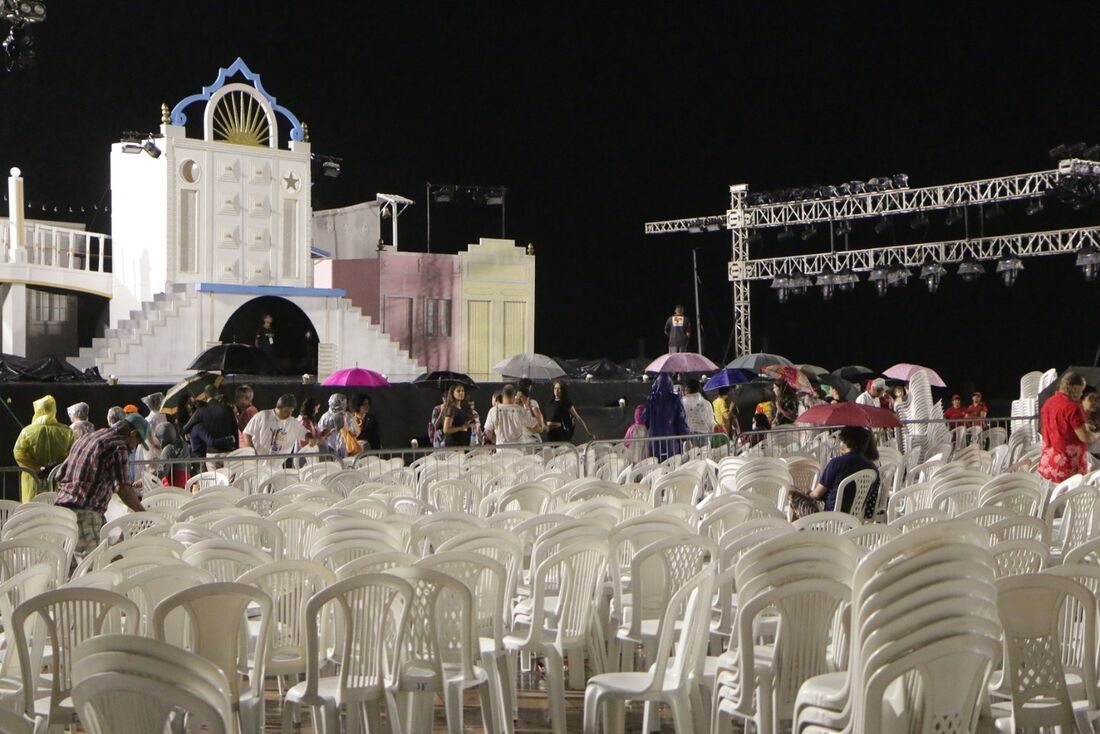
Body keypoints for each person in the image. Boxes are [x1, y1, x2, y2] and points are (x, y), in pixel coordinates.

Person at [54, 414, 148, 560]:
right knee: (93, 570)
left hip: (61, 511)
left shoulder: (87, 437)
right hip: (85, 511)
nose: (134, 448)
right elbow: (123, 489)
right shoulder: (118, 446)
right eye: (137, 442)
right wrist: (145, 514)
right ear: (133, 433)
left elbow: (59, 475)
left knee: (77, 568)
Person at [802, 426, 880, 517]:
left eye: (841, 440)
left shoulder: (836, 463)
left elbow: (816, 494)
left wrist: (804, 495)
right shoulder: (872, 468)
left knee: (795, 499)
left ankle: (796, 530)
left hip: (832, 515)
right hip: (855, 517)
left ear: (846, 442)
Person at [1039, 371, 1099, 483]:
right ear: (1075, 388)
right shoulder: (1073, 407)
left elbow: (1059, 427)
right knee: (1071, 499)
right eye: (1081, 390)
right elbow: (1085, 437)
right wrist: (1096, 435)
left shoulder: (1048, 403)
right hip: (1068, 469)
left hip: (1048, 464)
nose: (1081, 395)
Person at [13, 395, 74, 503]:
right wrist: (57, 467)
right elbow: (73, 453)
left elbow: (19, 453)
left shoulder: (27, 431)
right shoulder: (66, 431)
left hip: (33, 479)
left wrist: (37, 468)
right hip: (58, 479)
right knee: (55, 510)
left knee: (32, 510)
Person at [242, 393, 310, 454]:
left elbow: (304, 432)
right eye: (286, 411)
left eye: (291, 411)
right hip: (258, 463)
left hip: (277, 466)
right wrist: (252, 452)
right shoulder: (263, 416)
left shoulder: (292, 422)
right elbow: (247, 433)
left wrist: (310, 438)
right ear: (279, 407)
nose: (289, 415)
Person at [642, 374, 690, 460]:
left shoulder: (651, 400)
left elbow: (645, 419)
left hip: (654, 441)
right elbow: (681, 419)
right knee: (672, 467)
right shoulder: (675, 399)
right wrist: (685, 436)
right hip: (672, 441)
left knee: (655, 467)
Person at [181, 387, 239, 457]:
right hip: (228, 451)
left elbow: (185, 428)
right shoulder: (228, 409)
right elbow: (235, 429)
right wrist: (236, 448)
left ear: (205, 396)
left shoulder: (201, 411)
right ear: (217, 395)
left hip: (211, 453)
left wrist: (188, 439)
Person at [155, 421, 192, 488]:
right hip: (187, 481)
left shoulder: (167, 449)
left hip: (174, 484)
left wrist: (150, 477)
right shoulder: (184, 444)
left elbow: (163, 471)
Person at [1083, 387, 1100, 457]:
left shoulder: (1097, 415)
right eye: (1091, 398)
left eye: (1097, 399)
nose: (1095, 402)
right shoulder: (1076, 420)